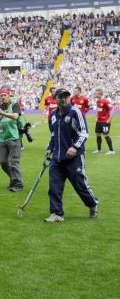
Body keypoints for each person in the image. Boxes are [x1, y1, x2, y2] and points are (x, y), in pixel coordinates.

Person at [45, 88, 99, 222]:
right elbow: (54, 134)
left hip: (74, 158)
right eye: (60, 97)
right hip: (57, 158)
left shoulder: (75, 112)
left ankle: (92, 204)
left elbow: (84, 133)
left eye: (66, 96)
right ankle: (56, 213)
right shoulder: (53, 115)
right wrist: (50, 147)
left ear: (69, 98)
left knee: (80, 185)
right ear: (55, 99)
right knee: (54, 188)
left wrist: (75, 147)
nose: (63, 99)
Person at [0, 87, 24, 192]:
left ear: (9, 95)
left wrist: (2, 113)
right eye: (1, 95)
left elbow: (15, 116)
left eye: (5, 95)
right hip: (2, 139)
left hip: (13, 138)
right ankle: (13, 179)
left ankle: (18, 185)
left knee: (14, 162)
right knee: (3, 162)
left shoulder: (14, 104)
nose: (3, 97)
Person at [93, 89, 115, 155]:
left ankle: (111, 150)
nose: (95, 95)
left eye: (96, 93)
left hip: (105, 121)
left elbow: (112, 109)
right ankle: (99, 150)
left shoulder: (105, 101)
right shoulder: (97, 101)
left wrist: (109, 119)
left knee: (106, 135)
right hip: (99, 121)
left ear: (100, 94)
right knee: (98, 134)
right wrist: (96, 117)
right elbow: (98, 110)